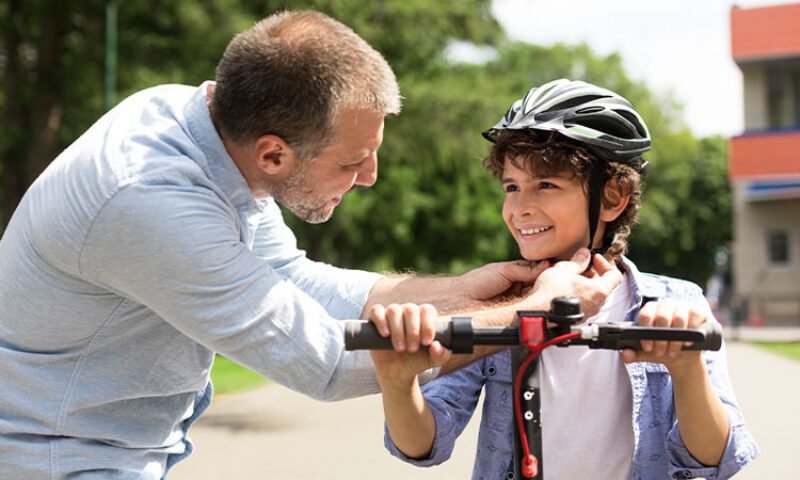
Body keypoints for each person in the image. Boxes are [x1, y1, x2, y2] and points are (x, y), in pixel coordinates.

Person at [0, 12, 622, 480]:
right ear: (274, 152)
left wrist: (461, 289)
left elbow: (294, 278)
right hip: (59, 460)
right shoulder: (148, 201)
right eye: (354, 160)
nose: (372, 176)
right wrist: (538, 312)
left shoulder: (200, 128)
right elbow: (326, 363)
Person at [369, 79, 759, 480]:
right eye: (511, 186)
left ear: (612, 197)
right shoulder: (501, 308)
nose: (518, 208)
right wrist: (399, 385)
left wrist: (687, 368)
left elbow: (716, 459)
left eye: (546, 185)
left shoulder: (676, 304)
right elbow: (424, 444)